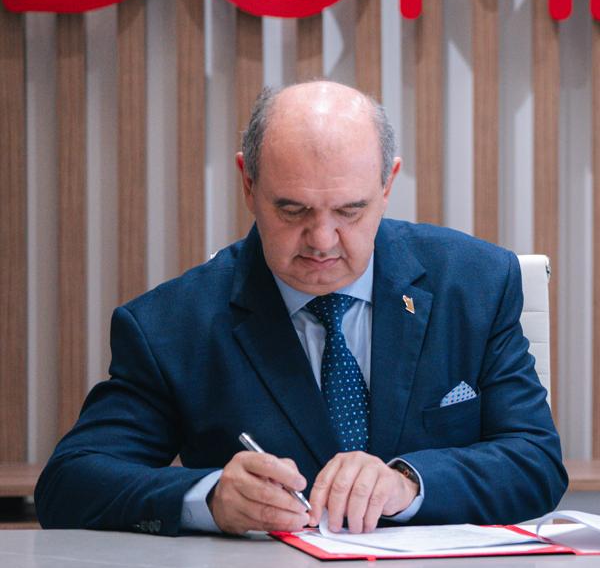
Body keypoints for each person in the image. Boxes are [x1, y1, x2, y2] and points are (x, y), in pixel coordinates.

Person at [36, 81, 567, 536]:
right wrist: (211, 496)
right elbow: (70, 482)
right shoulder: (173, 325)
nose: (322, 240)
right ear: (248, 184)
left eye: (350, 211)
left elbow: (535, 461)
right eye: (293, 210)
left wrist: (408, 483)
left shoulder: (475, 284)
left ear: (387, 184)